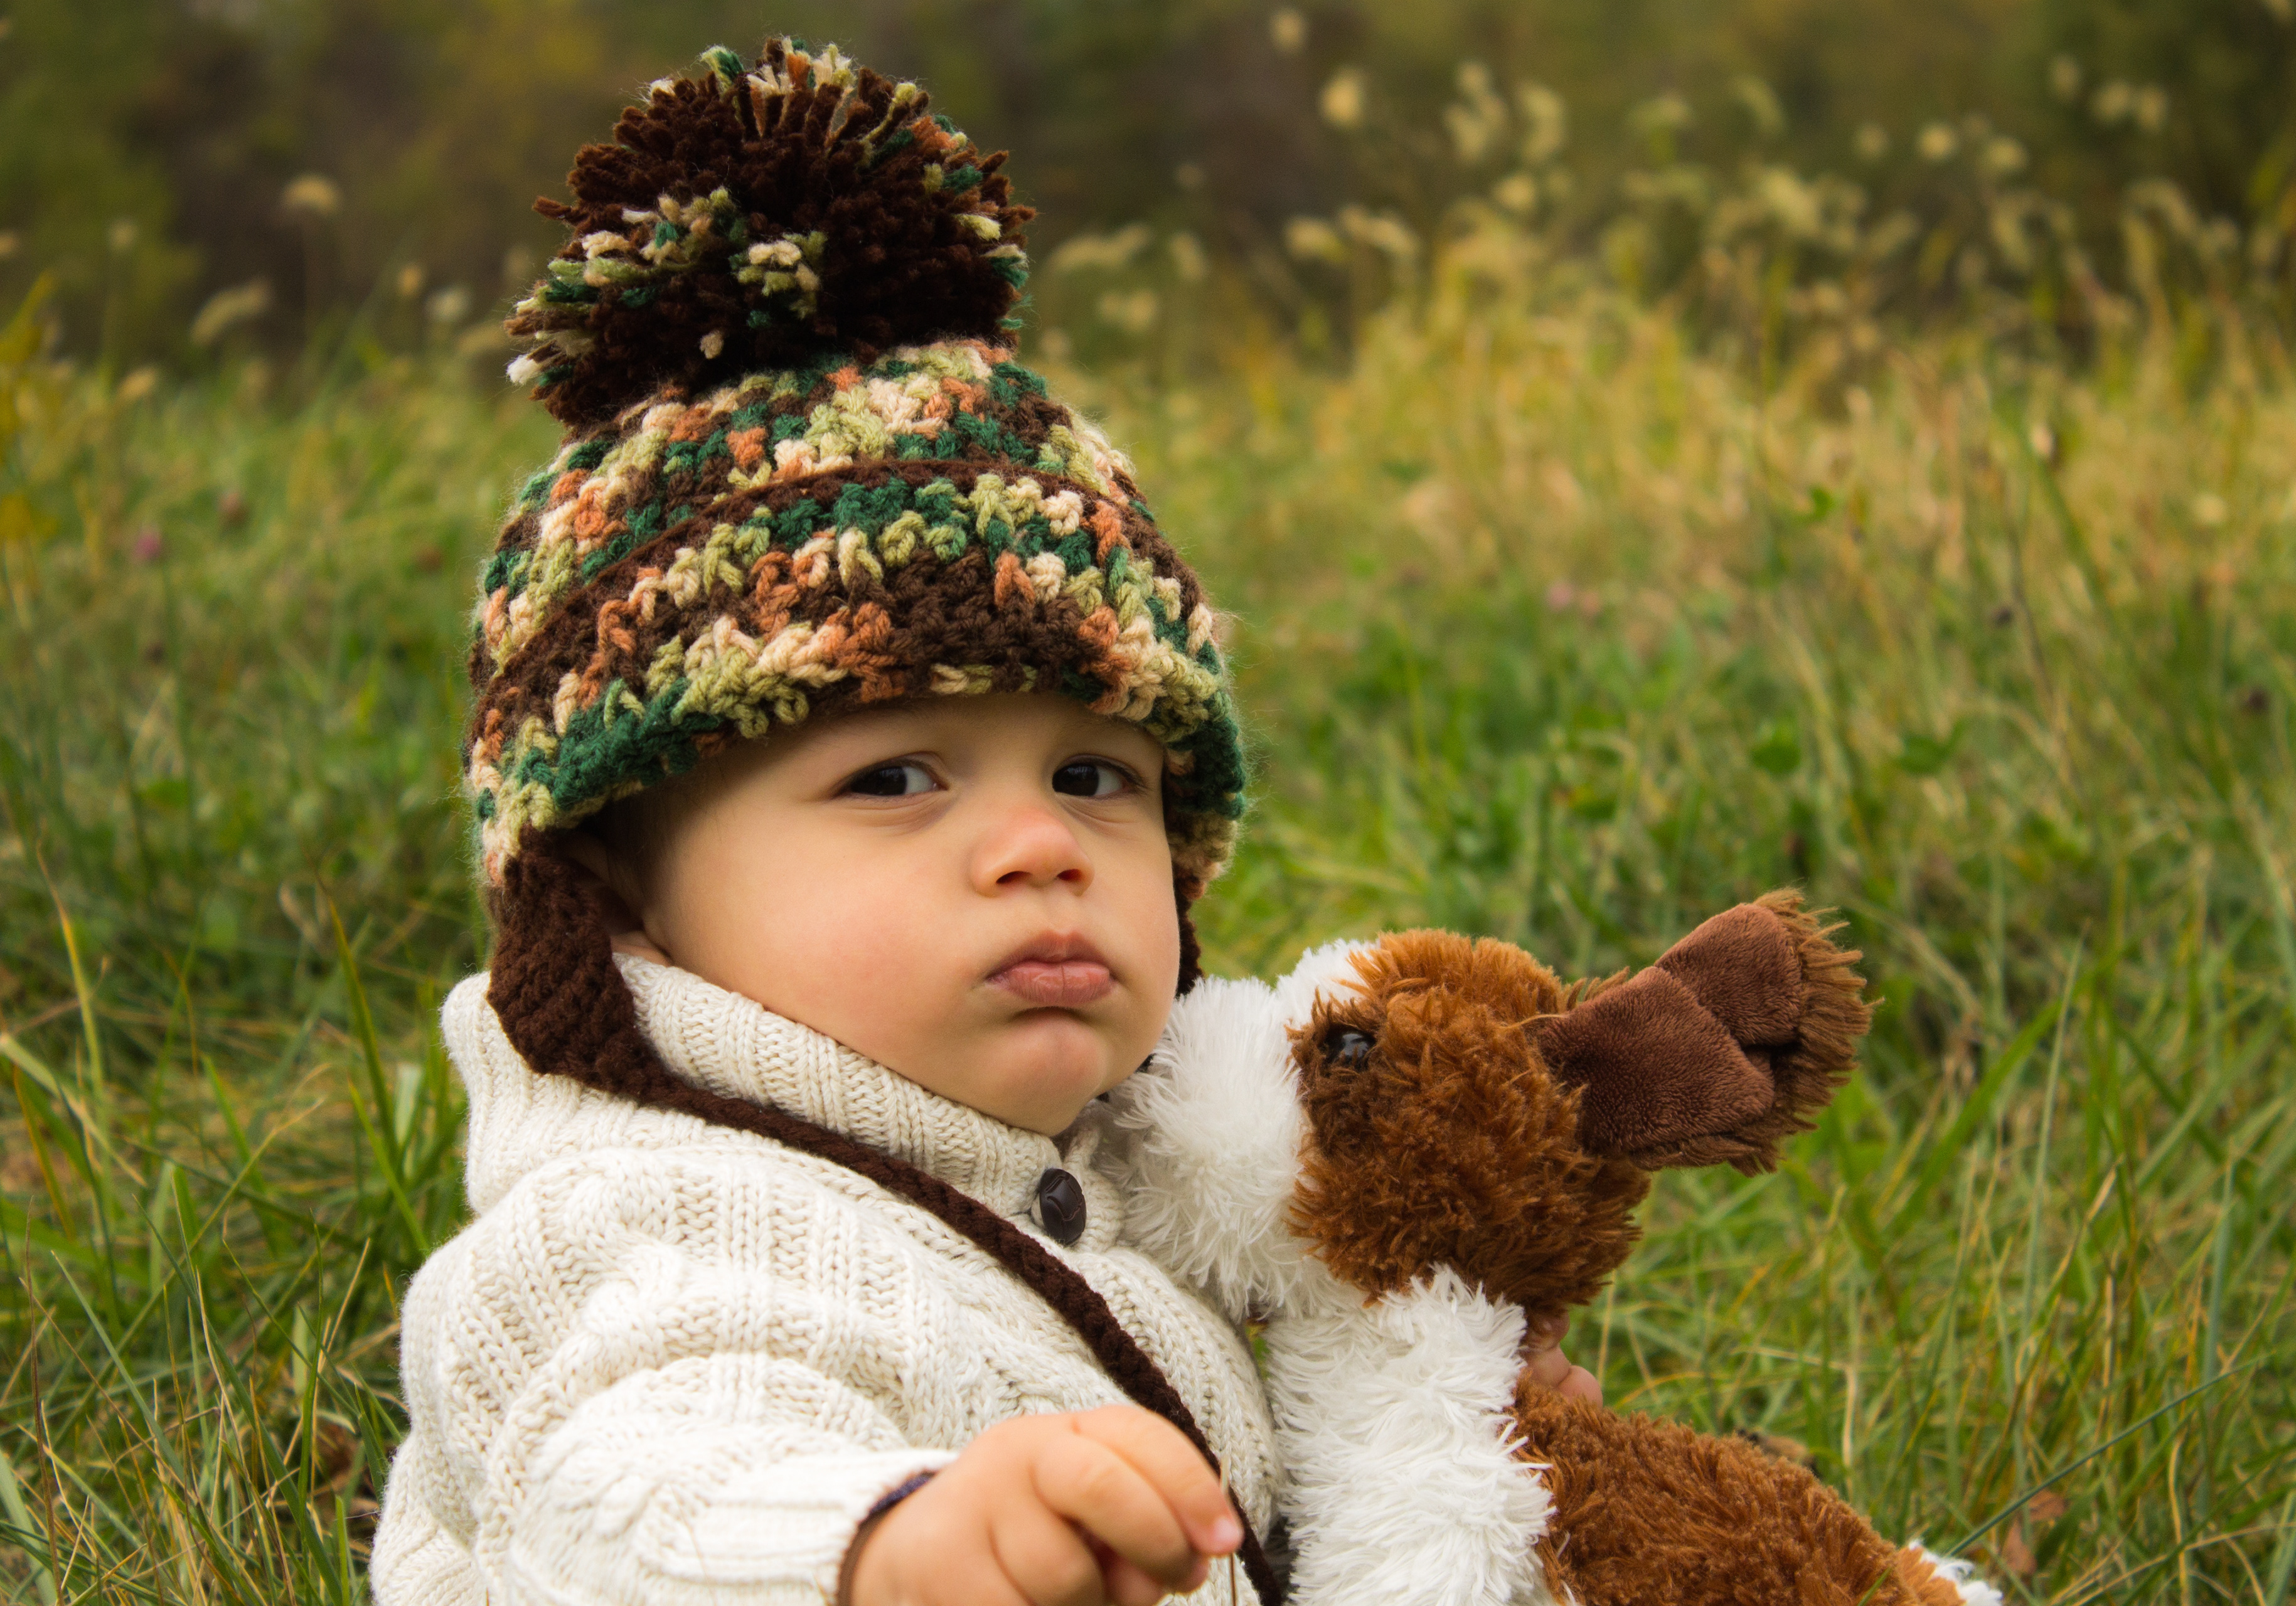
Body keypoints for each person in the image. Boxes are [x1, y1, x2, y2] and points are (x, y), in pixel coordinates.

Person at [369, 40, 1596, 1606]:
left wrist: (1450, 1467)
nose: (1042, 844)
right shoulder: (651, 1221)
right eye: (896, 779)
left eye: (1096, 776)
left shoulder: (1124, 1170)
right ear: (613, 885)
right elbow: (634, 1493)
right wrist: (888, 1546)